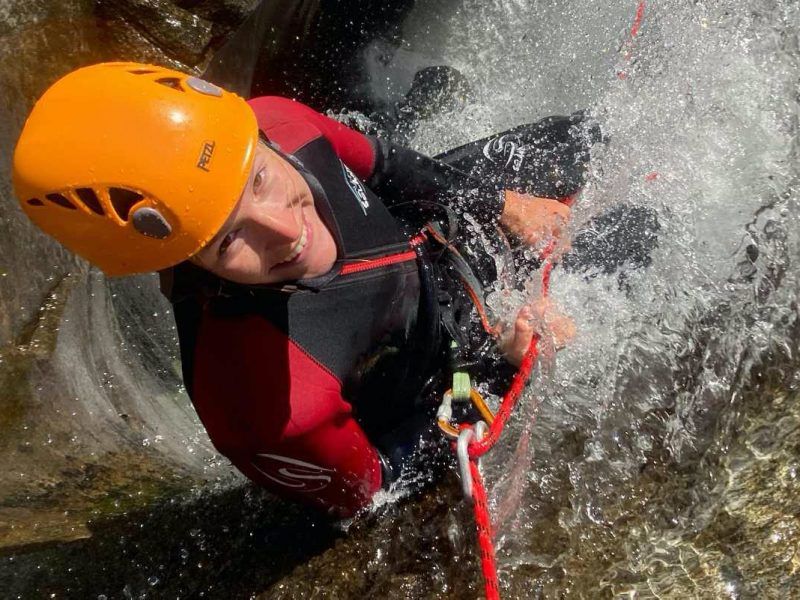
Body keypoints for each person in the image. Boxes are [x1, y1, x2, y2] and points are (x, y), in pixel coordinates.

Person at [13, 62, 586, 516]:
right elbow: (385, 484)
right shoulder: (267, 408)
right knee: (638, 233)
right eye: (228, 241)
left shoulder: (281, 123)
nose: (288, 232)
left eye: (260, 179)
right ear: (181, 263)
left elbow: (385, 168)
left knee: (580, 137)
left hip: (438, 249)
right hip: (448, 375)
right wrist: (502, 371)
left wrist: (503, 206)